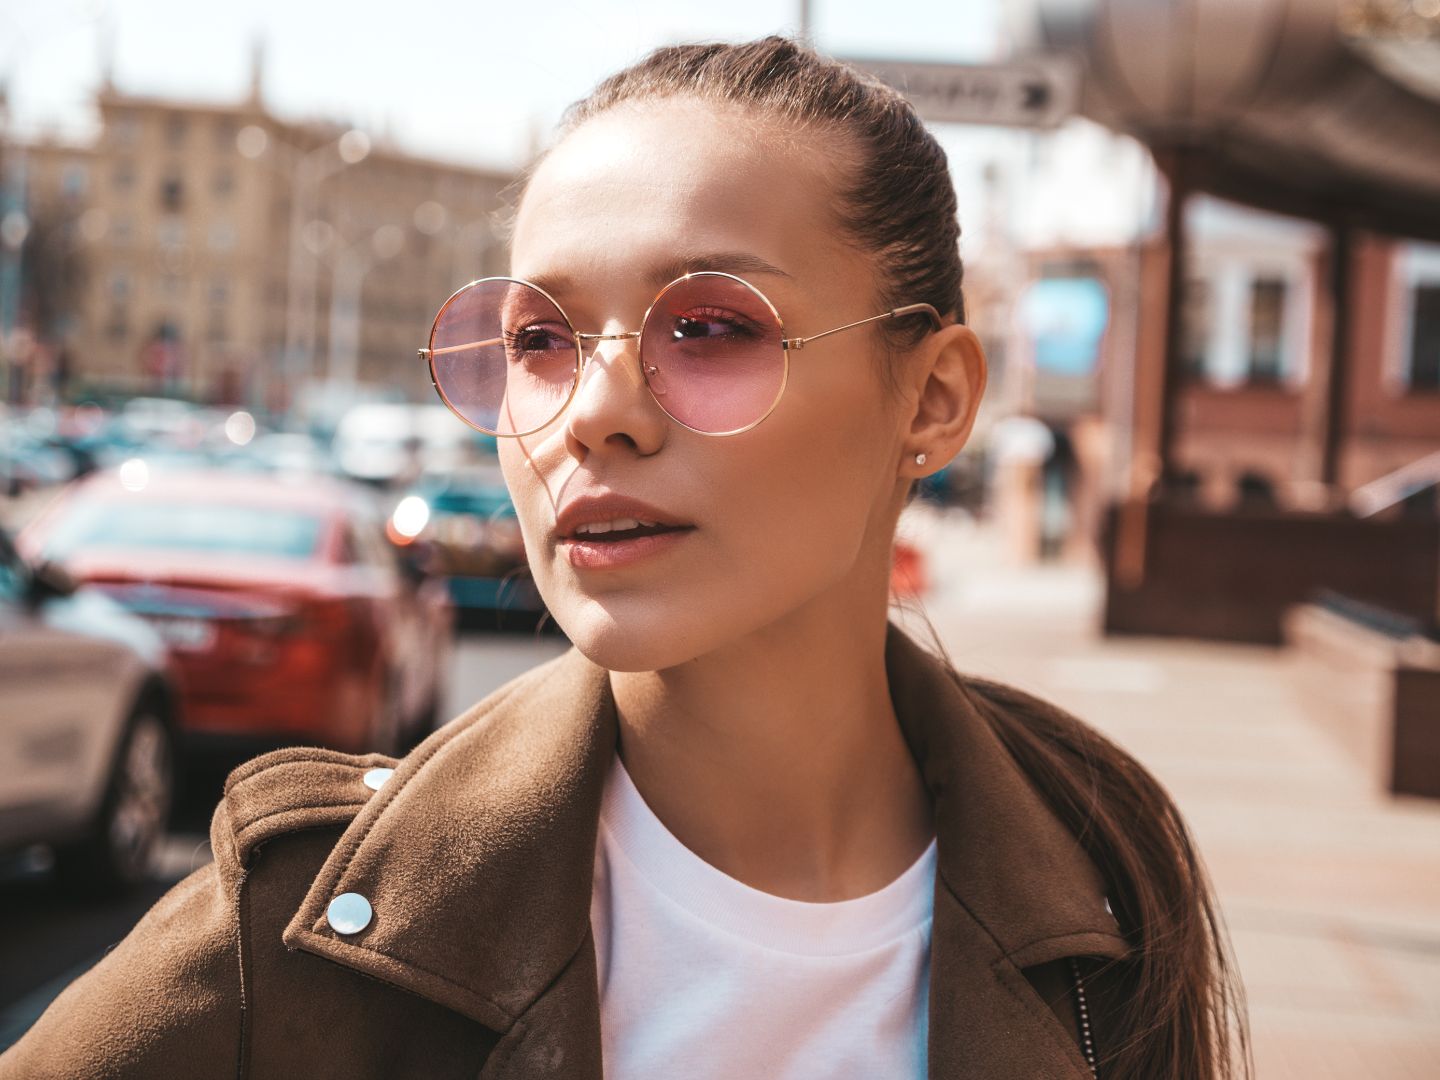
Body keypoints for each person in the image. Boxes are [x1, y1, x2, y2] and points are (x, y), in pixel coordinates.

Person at [0, 36, 1250, 1080]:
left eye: (708, 326)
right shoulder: (290, 936)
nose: (594, 409)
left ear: (931, 397)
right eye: (538, 337)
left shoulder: (1099, 868)